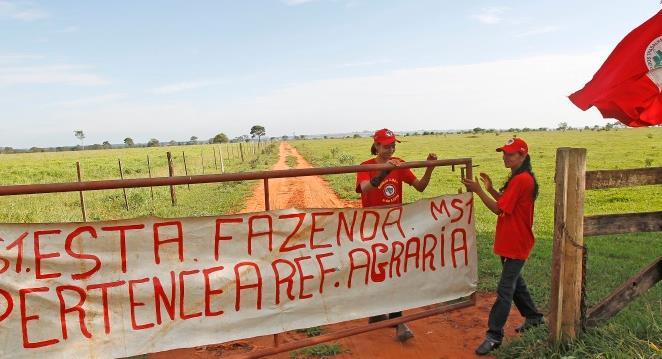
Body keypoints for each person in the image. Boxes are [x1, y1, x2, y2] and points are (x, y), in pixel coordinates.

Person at [461, 138, 545, 355]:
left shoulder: (522, 180)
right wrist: (489, 189)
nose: (505, 157)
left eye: (510, 154)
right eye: (504, 153)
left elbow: (498, 210)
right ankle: (534, 317)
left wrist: (479, 191)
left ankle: (494, 335)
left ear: (523, 155)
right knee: (516, 283)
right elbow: (506, 203)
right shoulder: (519, 178)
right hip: (511, 240)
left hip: (516, 241)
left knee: (505, 289)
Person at [355, 128, 437, 342]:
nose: (390, 149)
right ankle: (377, 310)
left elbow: (420, 187)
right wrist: (384, 173)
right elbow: (365, 188)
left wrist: (429, 168)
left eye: (393, 145)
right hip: (372, 227)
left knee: (395, 270)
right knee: (376, 268)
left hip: (395, 227)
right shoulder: (366, 167)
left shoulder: (399, 164)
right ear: (376, 146)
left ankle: (398, 320)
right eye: (386, 146)